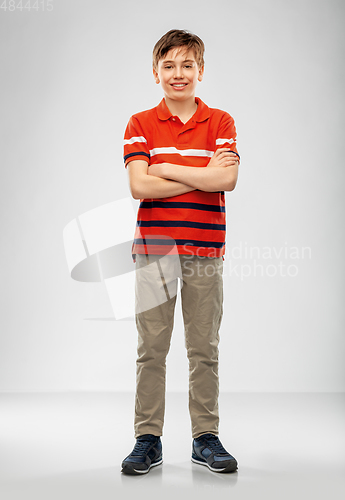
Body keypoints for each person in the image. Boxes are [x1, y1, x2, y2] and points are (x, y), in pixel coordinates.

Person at [121, 29, 240, 475]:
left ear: (201, 71)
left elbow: (225, 181)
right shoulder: (139, 123)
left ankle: (204, 438)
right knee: (151, 348)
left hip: (206, 250)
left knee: (203, 348)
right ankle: (147, 439)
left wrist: (164, 166)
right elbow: (139, 185)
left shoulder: (221, 122)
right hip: (153, 250)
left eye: (187, 65)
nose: (178, 74)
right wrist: (197, 171)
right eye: (169, 65)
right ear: (156, 73)